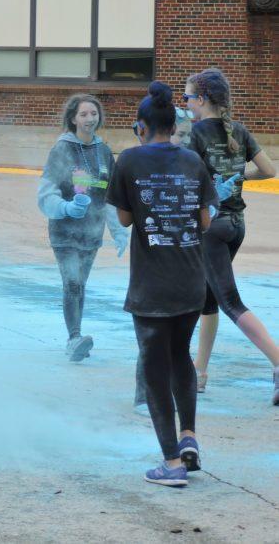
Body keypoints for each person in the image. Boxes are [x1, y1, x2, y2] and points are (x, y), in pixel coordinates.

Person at [106, 82, 217, 488]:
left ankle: (171, 462)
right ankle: (189, 436)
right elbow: (205, 222)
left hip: (151, 286)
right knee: (181, 358)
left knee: (154, 369)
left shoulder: (130, 160)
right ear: (175, 124)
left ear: (141, 126)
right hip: (191, 280)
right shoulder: (192, 161)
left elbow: (123, 220)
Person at [184, 68, 279, 405]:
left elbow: (189, 181)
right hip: (236, 224)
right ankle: (200, 372)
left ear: (203, 99)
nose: (186, 105)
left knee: (229, 302)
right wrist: (238, 177)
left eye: (188, 98)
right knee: (208, 299)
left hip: (211, 227)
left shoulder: (195, 135)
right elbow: (270, 170)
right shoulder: (238, 130)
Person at [38, 94, 128, 362]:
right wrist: (65, 207)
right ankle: (74, 338)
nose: (90, 119)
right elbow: (46, 193)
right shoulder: (61, 149)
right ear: (73, 119)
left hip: (92, 231)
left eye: (93, 113)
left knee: (81, 284)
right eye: (84, 114)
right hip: (64, 231)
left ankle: (75, 336)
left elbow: (110, 197)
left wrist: (119, 231)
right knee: (72, 282)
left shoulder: (103, 151)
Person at [134, 102, 197, 414]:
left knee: (170, 343)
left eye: (188, 135)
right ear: (169, 130)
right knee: (153, 340)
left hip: (181, 265)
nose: (183, 140)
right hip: (155, 269)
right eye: (180, 134)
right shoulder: (143, 164)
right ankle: (144, 394)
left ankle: (162, 397)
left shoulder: (188, 163)